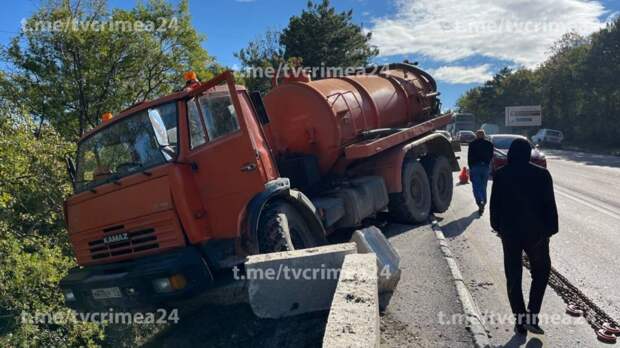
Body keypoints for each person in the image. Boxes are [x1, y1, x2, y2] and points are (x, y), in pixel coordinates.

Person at [490, 138, 558, 335]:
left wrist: (498, 227)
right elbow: (549, 205)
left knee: (513, 276)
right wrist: (550, 230)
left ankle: (520, 322)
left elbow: (495, 204)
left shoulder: (501, 174)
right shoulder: (542, 174)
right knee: (541, 272)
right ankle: (532, 315)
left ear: (511, 153)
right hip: (536, 234)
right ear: (528, 153)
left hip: (510, 234)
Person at [467, 129, 494, 215]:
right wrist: (487, 163)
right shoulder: (489, 144)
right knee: (483, 186)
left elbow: (469, 157)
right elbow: (491, 156)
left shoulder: (472, 144)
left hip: (475, 167)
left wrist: (470, 168)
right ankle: (484, 202)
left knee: (476, 186)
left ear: (476, 135)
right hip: (485, 167)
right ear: (484, 135)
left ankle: (480, 201)